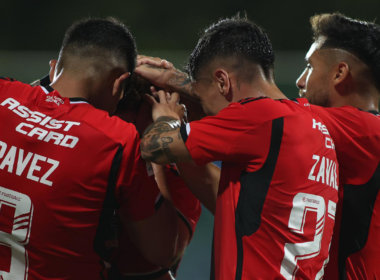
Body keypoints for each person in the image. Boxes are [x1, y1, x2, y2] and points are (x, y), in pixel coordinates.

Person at [138, 15, 339, 280]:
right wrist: (173, 79)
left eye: (204, 103)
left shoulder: (256, 115)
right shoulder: (312, 124)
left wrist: (168, 119)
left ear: (223, 82)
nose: (207, 114)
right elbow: (219, 194)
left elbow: (153, 146)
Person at [0, 18, 178, 280]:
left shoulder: (4, 93)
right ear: (119, 84)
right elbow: (163, 251)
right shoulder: (116, 140)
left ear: (53, 68)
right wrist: (164, 134)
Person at [296, 13, 380, 280]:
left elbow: (266, 113)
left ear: (340, 73)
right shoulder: (335, 141)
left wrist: (196, 88)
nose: (299, 81)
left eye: (309, 66)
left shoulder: (367, 132)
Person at [108, 76, 202, 280]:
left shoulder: (178, 176)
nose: (122, 136)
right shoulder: (84, 143)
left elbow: (166, 253)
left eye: (133, 129)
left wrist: (154, 151)